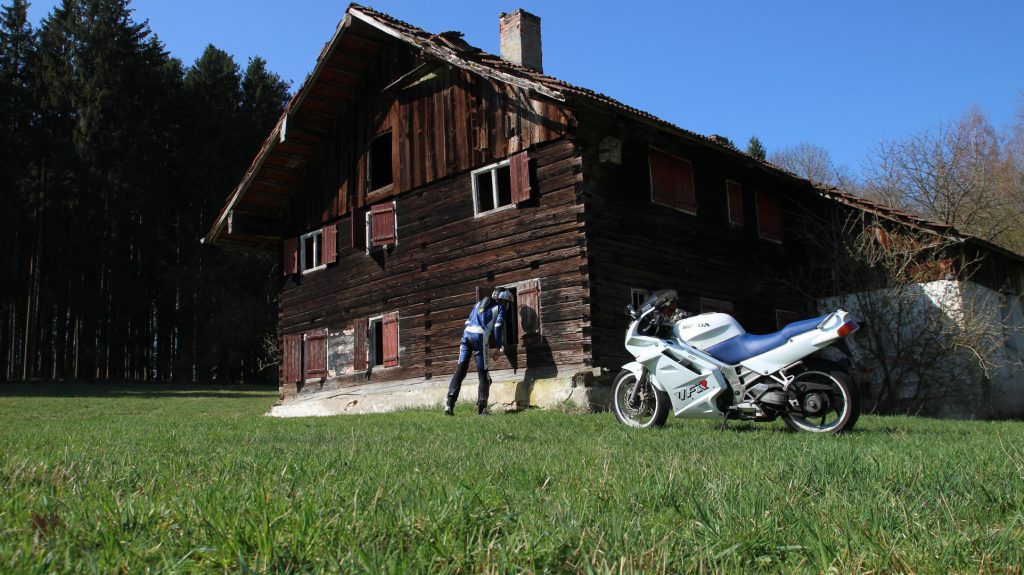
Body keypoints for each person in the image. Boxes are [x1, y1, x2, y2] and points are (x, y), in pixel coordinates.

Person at [444, 288, 511, 416]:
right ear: (504, 300)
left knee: (460, 369)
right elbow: (497, 327)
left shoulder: (478, 304)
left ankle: (449, 404)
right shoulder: (500, 307)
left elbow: (467, 321)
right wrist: (498, 347)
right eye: (507, 302)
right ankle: (482, 409)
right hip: (480, 336)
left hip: (466, 334)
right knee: (483, 374)